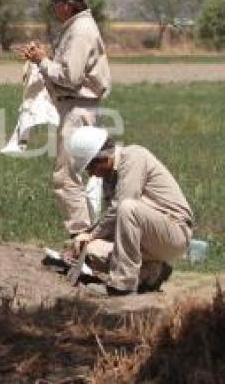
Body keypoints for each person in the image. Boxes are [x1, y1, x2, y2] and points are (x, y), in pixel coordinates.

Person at [21, 0, 111, 236]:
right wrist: (42, 60)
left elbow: (69, 77)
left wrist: (42, 60)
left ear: (67, 6)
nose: (54, 10)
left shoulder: (80, 31)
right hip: (81, 108)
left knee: (67, 176)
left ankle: (80, 238)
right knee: (89, 173)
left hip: (77, 110)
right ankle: (96, 234)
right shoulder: (79, 27)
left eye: (56, 5)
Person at [67, 126, 193, 295]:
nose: (91, 175)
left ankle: (123, 286)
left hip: (174, 231)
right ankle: (152, 272)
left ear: (103, 157)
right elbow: (115, 222)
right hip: (149, 235)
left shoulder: (134, 156)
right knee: (91, 250)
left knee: (127, 207)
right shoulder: (110, 176)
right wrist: (84, 242)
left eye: (90, 168)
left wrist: (91, 234)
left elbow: (122, 205)